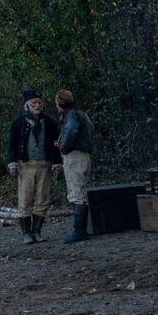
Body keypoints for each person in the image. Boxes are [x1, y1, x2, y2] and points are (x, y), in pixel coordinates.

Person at [6, 90, 62, 244]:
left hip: (44, 164)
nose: (37, 105)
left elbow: (56, 145)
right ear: (27, 105)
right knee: (25, 199)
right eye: (33, 103)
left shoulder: (49, 122)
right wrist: (12, 164)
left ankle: (37, 231)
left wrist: (57, 164)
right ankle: (26, 233)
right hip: (26, 166)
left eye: (39, 103)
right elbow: (11, 145)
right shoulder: (18, 122)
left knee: (43, 199)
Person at [55, 90, 95, 244]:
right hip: (84, 155)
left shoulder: (71, 115)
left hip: (75, 156)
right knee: (80, 191)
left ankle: (79, 231)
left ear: (60, 103)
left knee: (76, 192)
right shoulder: (81, 114)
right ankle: (80, 230)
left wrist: (63, 147)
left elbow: (71, 131)